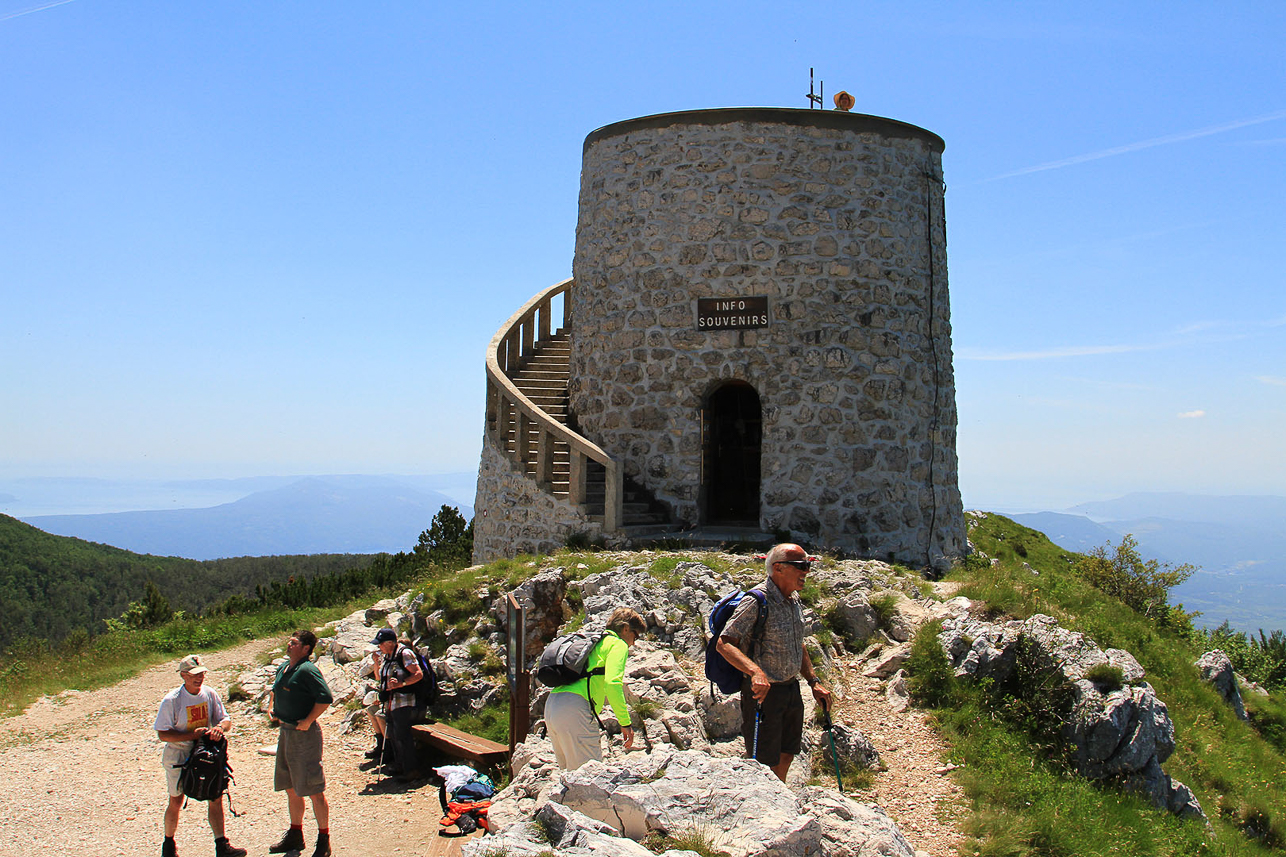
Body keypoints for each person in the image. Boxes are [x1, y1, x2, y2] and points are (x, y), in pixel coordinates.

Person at [716, 543, 832, 782]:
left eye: (808, 564)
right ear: (778, 568)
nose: (807, 571)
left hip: (791, 689)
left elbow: (797, 643)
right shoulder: (757, 600)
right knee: (762, 762)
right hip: (762, 695)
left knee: (788, 752)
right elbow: (724, 643)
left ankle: (780, 800)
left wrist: (813, 681)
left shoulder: (794, 599)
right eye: (801, 565)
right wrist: (755, 672)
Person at [154, 654, 247, 857]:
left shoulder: (209, 694)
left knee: (215, 796)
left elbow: (226, 720)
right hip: (179, 754)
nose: (200, 678)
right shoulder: (172, 700)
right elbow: (162, 733)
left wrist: (219, 729)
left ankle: (221, 845)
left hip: (206, 752)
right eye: (194, 675)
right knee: (176, 800)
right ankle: (168, 846)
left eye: (202, 673)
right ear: (183, 675)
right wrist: (190, 735)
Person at [544, 607, 645, 770]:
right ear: (626, 628)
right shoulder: (617, 644)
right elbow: (612, 684)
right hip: (574, 709)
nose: (634, 642)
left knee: (569, 778)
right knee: (589, 776)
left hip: (553, 706)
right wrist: (625, 724)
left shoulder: (594, 642)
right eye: (635, 635)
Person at [267, 630, 334, 857]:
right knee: (290, 786)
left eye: (294, 643)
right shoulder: (284, 667)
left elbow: (325, 697)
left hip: (303, 734)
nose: (289, 644)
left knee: (313, 788)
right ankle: (295, 835)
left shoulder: (307, 669)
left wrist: (308, 720)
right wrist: (272, 708)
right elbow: (275, 690)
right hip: (285, 732)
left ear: (306, 648)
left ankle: (323, 841)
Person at [371, 628, 425, 778]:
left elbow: (418, 674)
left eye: (380, 644)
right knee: (394, 734)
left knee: (402, 735)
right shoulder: (388, 656)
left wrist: (401, 684)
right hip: (392, 701)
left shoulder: (404, 653)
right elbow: (380, 677)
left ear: (389, 642)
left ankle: (411, 770)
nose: (379, 647)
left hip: (405, 701)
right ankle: (400, 765)